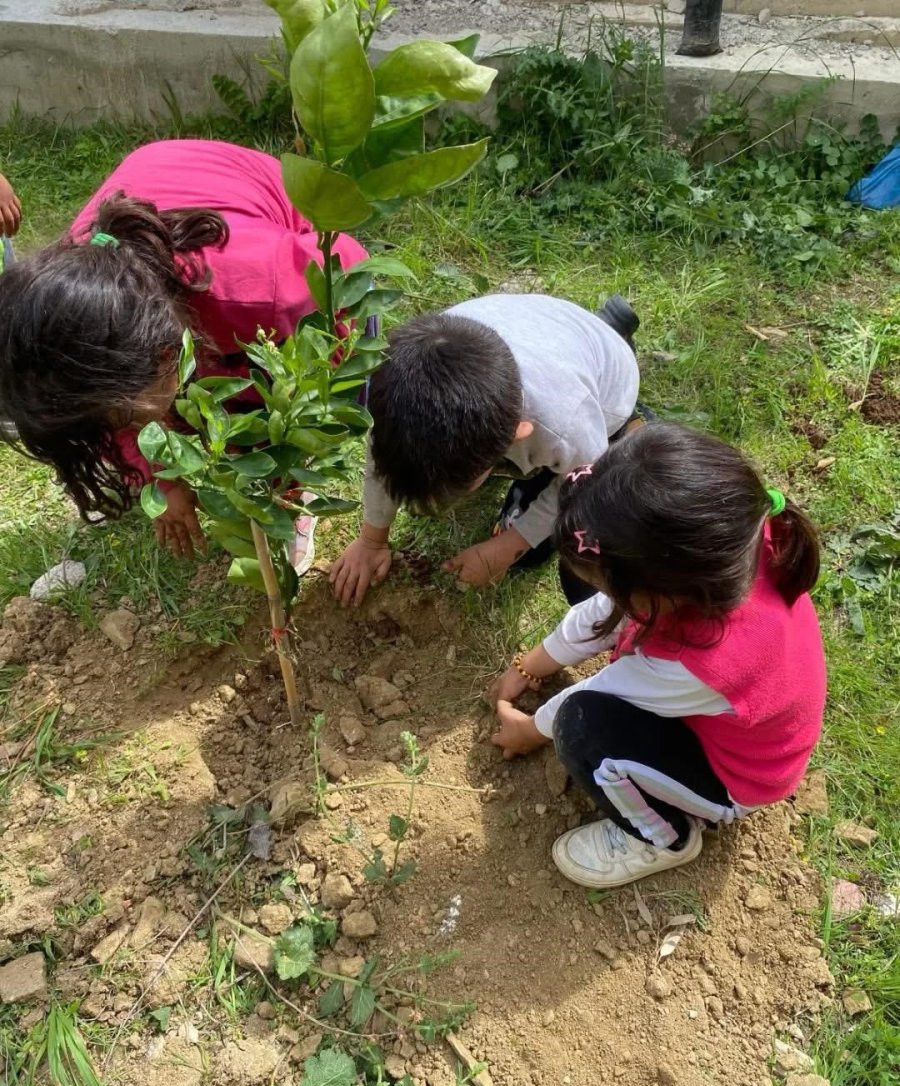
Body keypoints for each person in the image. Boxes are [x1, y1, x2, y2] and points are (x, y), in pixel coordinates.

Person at [490, 423, 826, 889]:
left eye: (610, 586)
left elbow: (593, 693)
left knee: (582, 726)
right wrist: (529, 664)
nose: (607, 597)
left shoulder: (705, 659)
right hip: (717, 718)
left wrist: (529, 730)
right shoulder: (722, 550)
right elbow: (602, 612)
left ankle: (660, 837)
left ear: (658, 590)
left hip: (732, 776)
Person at [0, 139, 366, 564]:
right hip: (160, 188)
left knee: (269, 400)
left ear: (162, 354)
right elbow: (103, 416)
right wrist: (165, 483)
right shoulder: (71, 320)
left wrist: (305, 412)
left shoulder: (260, 287)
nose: (128, 427)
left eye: (128, 417)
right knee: (165, 407)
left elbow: (349, 266)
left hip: (249, 196)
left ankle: (287, 500)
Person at [330, 292, 642, 608]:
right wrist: (371, 540)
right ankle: (603, 324)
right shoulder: (399, 396)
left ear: (517, 436)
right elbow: (384, 459)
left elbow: (583, 481)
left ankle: (627, 397)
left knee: (529, 554)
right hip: (538, 327)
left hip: (604, 382)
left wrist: (511, 546)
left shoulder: (564, 426)